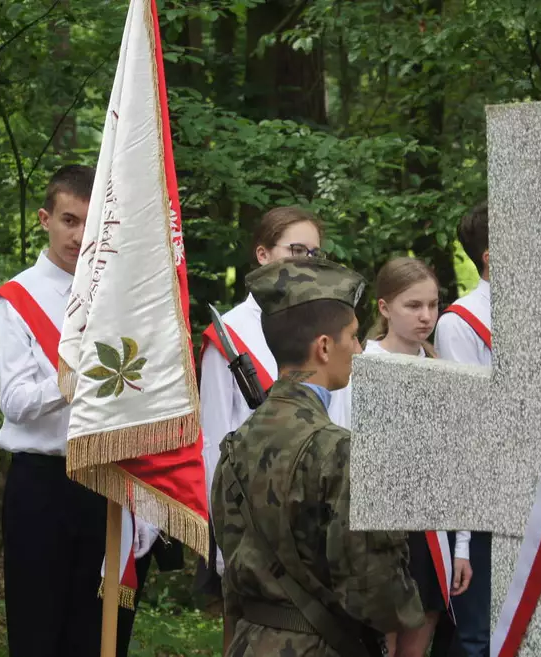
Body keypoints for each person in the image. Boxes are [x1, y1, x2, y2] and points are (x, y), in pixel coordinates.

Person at [211, 257, 425, 657]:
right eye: (353, 336)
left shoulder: (236, 444)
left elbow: (231, 574)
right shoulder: (338, 449)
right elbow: (375, 591)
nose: (359, 349)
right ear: (324, 347)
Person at [0, 164, 158, 657]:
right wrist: (75, 371)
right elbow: (17, 404)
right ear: (45, 218)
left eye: (92, 223)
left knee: (102, 633)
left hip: (109, 479)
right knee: (39, 632)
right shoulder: (15, 301)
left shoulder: (122, 299)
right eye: (69, 220)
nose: (79, 235)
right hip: (43, 484)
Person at [198, 206, 351, 647]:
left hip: (317, 508)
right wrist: (224, 533)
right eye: (296, 249)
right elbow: (213, 440)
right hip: (251, 511)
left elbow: (338, 421)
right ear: (263, 254)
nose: (306, 260)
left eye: (315, 252)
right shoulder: (229, 333)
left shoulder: (326, 328)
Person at [356, 257, 473, 657]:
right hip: (376, 534)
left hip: (430, 536)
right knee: (379, 643)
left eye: (433, 305)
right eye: (413, 305)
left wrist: (461, 547)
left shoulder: (441, 369)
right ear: (384, 307)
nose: (426, 316)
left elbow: (454, 465)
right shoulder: (362, 368)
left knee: (418, 644)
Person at [434, 202, 493, 656]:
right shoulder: (460, 323)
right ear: (490, 257)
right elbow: (466, 425)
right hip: (484, 497)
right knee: (478, 634)